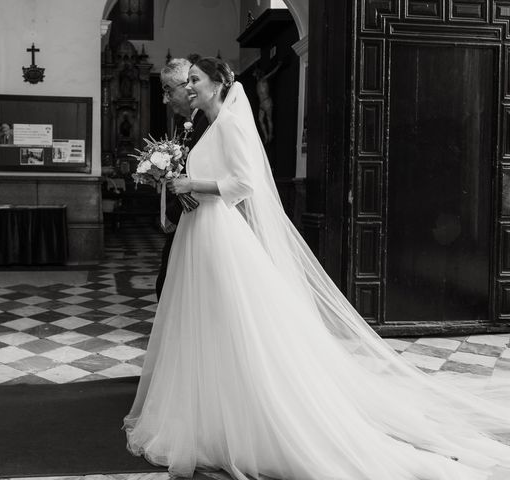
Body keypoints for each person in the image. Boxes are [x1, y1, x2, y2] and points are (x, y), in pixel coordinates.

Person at [124, 57, 510, 480]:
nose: (189, 85)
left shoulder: (231, 125)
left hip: (218, 234)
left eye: (195, 79)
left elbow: (244, 185)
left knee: (234, 320)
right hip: (201, 232)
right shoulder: (211, 126)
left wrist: (191, 184)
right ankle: (205, 401)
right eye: (189, 80)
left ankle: (245, 409)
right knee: (206, 320)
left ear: (217, 85)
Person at [155, 57, 209, 300]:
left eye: (168, 91)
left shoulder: (208, 122)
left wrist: (175, 210)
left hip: (201, 220)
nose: (165, 99)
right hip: (186, 217)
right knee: (169, 286)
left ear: (186, 85)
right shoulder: (189, 123)